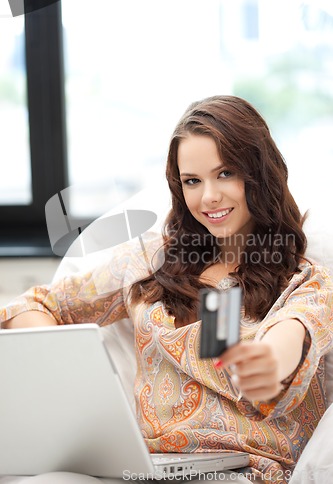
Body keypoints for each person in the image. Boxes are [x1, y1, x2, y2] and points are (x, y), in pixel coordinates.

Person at [1, 95, 332, 484]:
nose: (208, 197)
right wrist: (66, 361)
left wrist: (269, 362)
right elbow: (36, 303)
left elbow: (293, 334)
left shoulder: (308, 282)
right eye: (192, 181)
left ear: (261, 173)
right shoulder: (150, 263)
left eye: (225, 173)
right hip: (143, 468)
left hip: (243, 472)